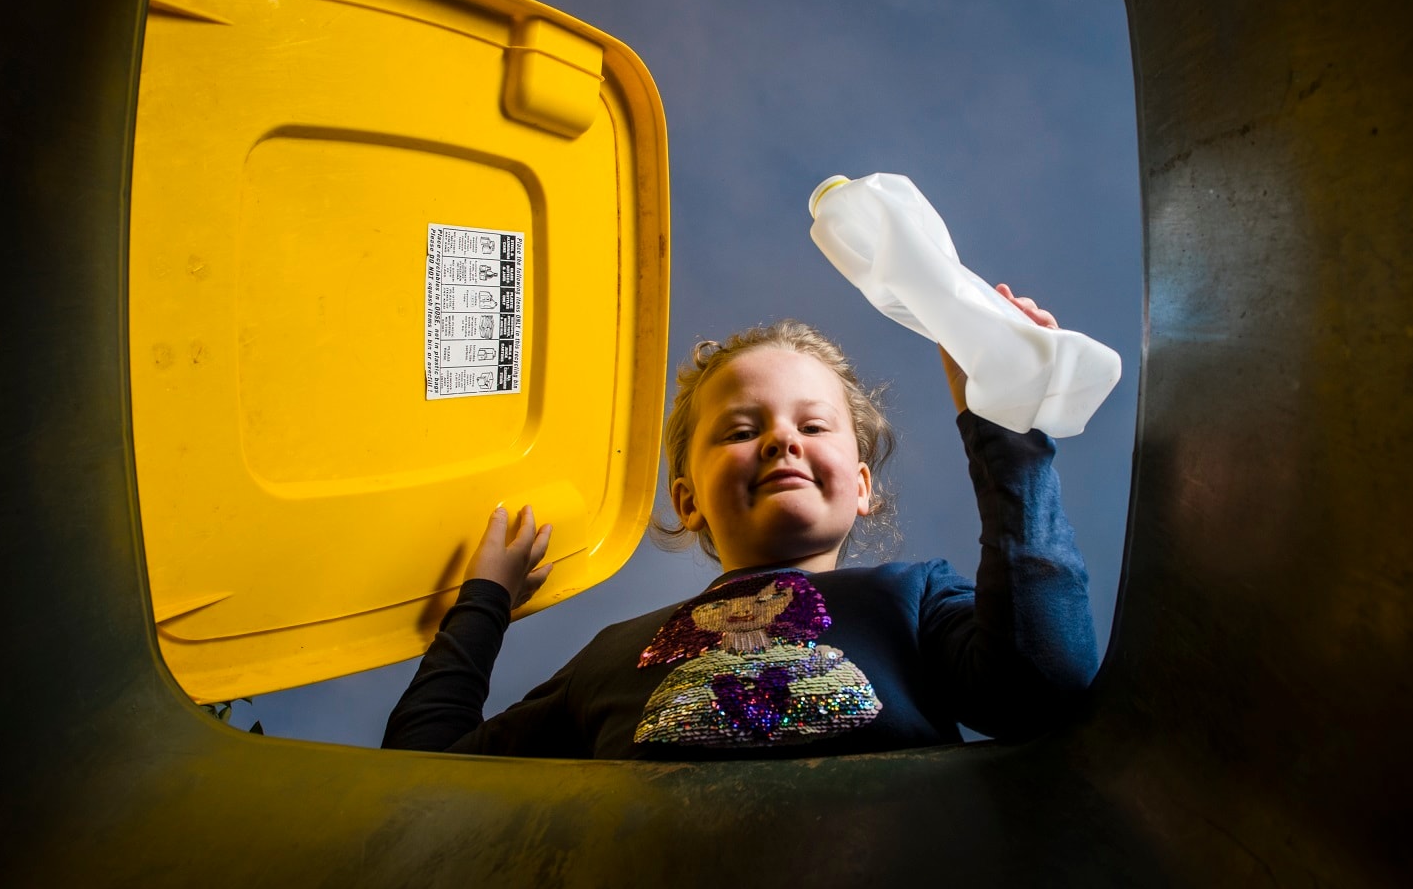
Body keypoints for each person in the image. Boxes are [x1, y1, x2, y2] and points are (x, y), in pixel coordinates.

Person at [382, 284, 1100, 759]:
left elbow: (1040, 686)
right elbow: (426, 781)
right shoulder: (610, 656)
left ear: (860, 488)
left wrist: (1005, 427)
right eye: (738, 431)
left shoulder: (910, 601)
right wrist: (484, 601)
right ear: (688, 498)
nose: (781, 439)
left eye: (813, 425)